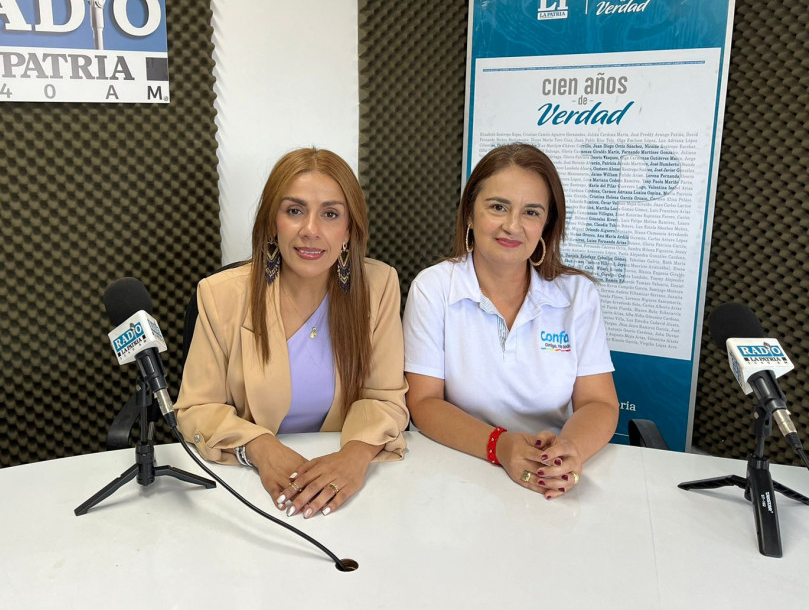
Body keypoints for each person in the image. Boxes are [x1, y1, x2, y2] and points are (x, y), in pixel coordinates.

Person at [175, 147, 408, 519]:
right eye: (295, 211)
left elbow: (385, 398)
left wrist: (354, 456)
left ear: (349, 230)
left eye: (330, 214)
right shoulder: (220, 295)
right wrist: (260, 447)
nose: (310, 230)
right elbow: (195, 409)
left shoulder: (379, 286)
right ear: (272, 223)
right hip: (249, 486)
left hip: (347, 486)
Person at [403, 143, 618, 499]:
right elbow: (423, 402)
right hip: (458, 471)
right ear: (470, 213)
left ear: (546, 224)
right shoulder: (434, 288)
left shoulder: (578, 295)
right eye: (498, 207)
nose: (512, 226)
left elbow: (599, 403)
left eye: (531, 212)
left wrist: (569, 452)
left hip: (549, 477)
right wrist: (498, 445)